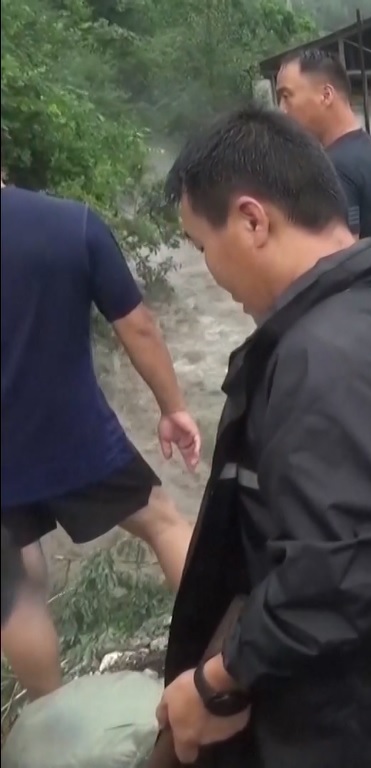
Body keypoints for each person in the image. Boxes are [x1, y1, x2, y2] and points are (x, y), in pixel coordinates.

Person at [160, 105, 371, 766]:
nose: (212, 276)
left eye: (204, 249)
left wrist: (216, 681)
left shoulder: (329, 359)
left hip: (353, 732)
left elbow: (344, 571)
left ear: (253, 220)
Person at [1, 182, 200, 699]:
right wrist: (173, 408)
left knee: (17, 591)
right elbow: (138, 327)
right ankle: (217, 662)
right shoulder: (73, 224)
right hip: (76, 438)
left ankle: (54, 724)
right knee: (163, 522)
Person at [275, 49, 371, 279]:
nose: (282, 110)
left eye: (287, 96)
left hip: (357, 310)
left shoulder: (334, 168)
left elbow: (338, 265)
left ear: (326, 95)